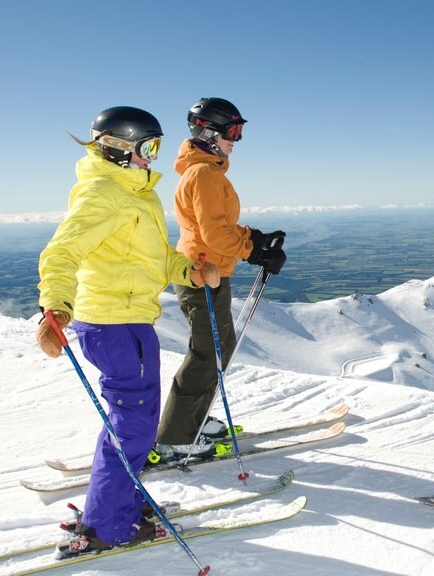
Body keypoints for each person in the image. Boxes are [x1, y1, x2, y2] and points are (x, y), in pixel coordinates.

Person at [36, 106, 220, 552]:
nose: (152, 158)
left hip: (136, 320)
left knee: (134, 421)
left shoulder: (140, 195)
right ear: (118, 147)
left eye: (156, 147)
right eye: (148, 148)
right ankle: (107, 527)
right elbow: (61, 251)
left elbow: (155, 258)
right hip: (110, 323)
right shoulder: (102, 192)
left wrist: (189, 272)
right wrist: (55, 306)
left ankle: (117, 500)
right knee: (133, 426)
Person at [151, 97, 286, 463]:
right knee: (207, 351)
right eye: (232, 131)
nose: (236, 139)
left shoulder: (207, 171)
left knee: (220, 347)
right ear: (208, 132)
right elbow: (214, 235)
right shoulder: (205, 174)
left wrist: (253, 239)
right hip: (201, 274)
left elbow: (217, 226)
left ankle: (194, 419)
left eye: (238, 131)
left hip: (210, 272)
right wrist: (253, 250)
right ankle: (175, 438)